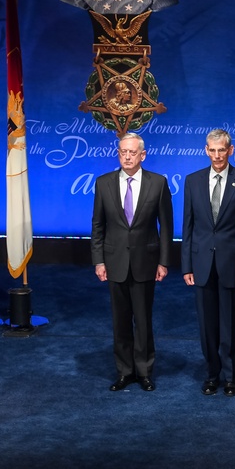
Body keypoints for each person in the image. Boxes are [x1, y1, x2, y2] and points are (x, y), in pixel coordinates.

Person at [182, 128, 235, 396]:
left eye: (221, 150)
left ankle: (231, 377)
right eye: (212, 150)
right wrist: (186, 266)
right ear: (206, 150)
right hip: (202, 265)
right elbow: (188, 227)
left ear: (231, 150)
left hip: (233, 265)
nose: (217, 155)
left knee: (229, 324)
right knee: (207, 326)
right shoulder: (192, 181)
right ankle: (212, 374)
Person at [91, 132, 173, 392]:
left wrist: (163, 262)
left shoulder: (158, 183)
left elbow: (166, 228)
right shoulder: (103, 183)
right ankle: (124, 372)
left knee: (143, 320)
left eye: (132, 152)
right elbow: (97, 226)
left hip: (145, 262)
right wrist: (98, 261)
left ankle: (144, 371)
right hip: (114, 262)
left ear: (143, 155)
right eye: (122, 152)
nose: (127, 156)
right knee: (120, 321)